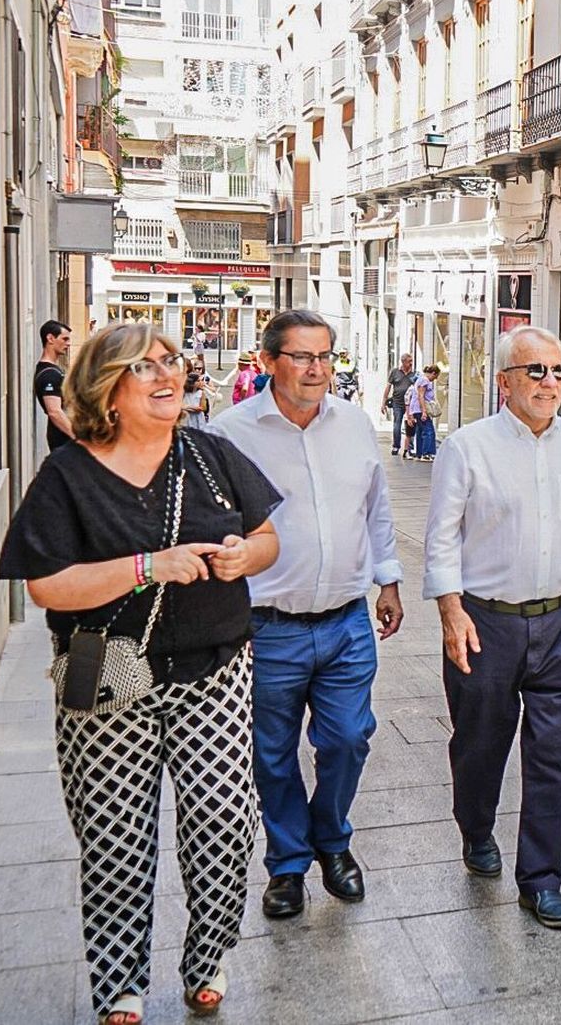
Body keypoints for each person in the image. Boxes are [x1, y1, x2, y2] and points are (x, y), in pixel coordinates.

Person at [0, 324, 282, 1025]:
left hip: (215, 669)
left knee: (224, 818)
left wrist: (249, 555)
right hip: (108, 678)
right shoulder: (69, 473)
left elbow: (269, 535)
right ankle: (120, 980)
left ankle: (208, 954)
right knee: (115, 833)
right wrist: (147, 567)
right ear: (106, 389)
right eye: (143, 367)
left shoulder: (211, 456)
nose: (168, 374)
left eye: (170, 362)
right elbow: (45, 585)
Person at [210, 310, 405, 920]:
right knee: (271, 752)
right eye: (302, 357)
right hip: (266, 626)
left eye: (325, 357)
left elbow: (375, 508)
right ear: (269, 362)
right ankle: (289, 865)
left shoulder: (353, 424)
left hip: (346, 620)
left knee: (348, 738)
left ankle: (331, 839)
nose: (317, 369)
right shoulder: (229, 434)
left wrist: (389, 579)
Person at [423, 325, 561, 930]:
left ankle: (542, 879)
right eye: (536, 371)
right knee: (479, 744)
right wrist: (451, 612)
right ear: (503, 380)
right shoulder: (467, 447)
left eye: (558, 372)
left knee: (558, 753)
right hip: (484, 621)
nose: (551, 383)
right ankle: (476, 828)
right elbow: (441, 537)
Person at [33, 320, 74, 453]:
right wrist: (78, 438)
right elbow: (54, 412)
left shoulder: (54, 370)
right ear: (50, 338)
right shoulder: (49, 375)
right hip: (64, 443)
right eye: (65, 339)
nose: (68, 344)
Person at [382, 353, 417, 456]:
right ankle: (396, 446)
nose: (411, 363)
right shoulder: (395, 372)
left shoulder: (414, 374)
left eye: (412, 361)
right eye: (409, 361)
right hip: (397, 403)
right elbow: (388, 387)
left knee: (411, 425)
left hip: (410, 405)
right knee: (397, 425)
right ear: (403, 362)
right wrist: (383, 402)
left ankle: (409, 448)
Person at [412, 365, 441, 461]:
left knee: (421, 431)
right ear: (433, 373)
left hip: (417, 409)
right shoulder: (425, 380)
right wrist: (424, 411)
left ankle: (420, 453)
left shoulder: (421, 379)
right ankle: (427, 453)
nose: (435, 379)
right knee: (429, 431)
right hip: (421, 410)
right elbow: (421, 396)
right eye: (435, 376)